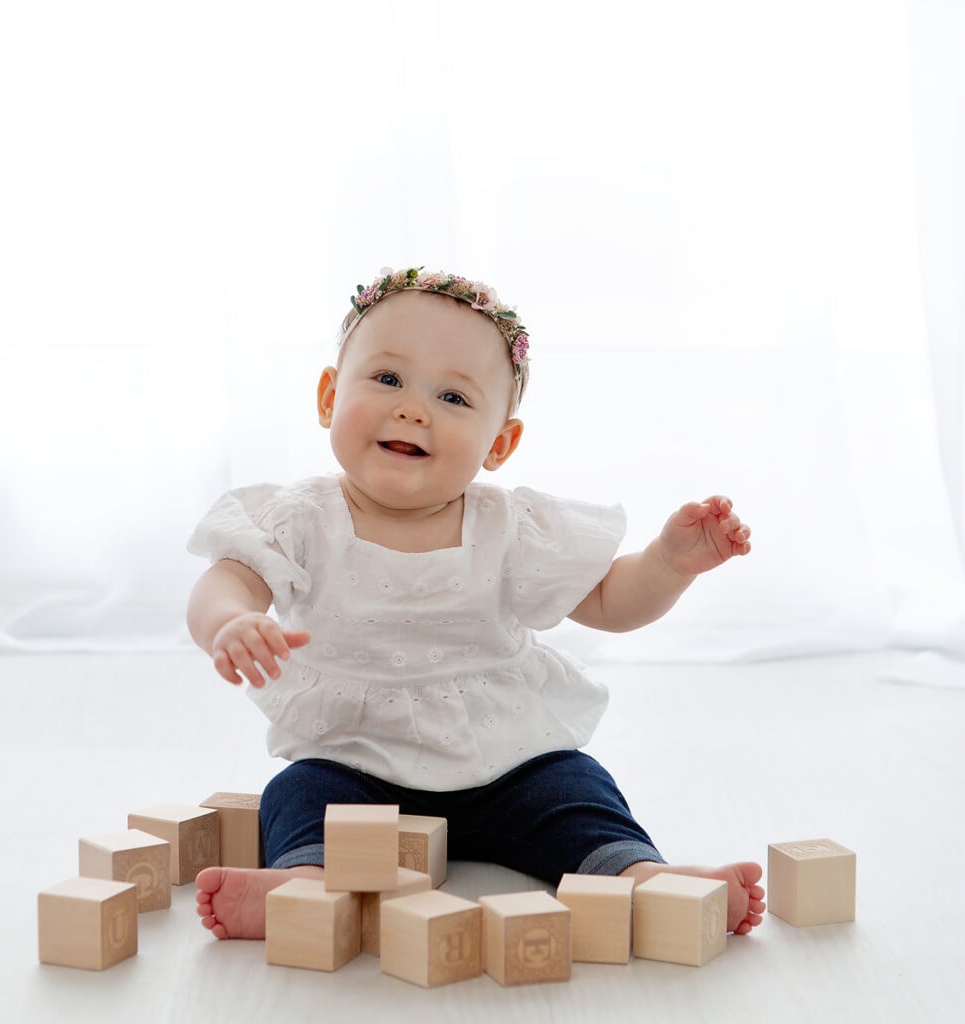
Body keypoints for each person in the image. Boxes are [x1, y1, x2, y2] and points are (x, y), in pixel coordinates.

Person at [186, 266, 765, 941]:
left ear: (499, 444)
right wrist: (230, 621)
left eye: (454, 396)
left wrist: (668, 564)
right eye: (388, 379)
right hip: (355, 760)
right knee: (298, 794)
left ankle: (640, 874)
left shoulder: (509, 529)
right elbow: (229, 578)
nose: (413, 409)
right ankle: (306, 882)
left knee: (578, 791)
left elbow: (608, 599)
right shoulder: (299, 518)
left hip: (506, 761)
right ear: (327, 395)